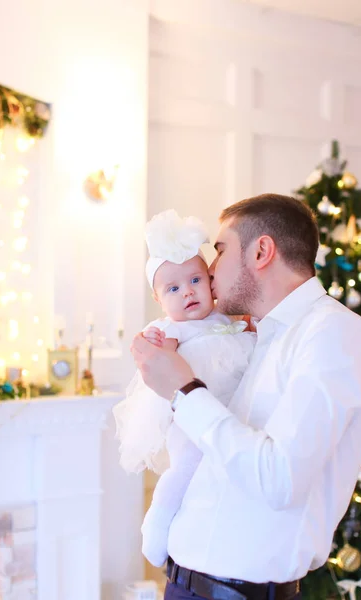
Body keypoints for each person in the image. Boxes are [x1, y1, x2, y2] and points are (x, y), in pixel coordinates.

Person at [131, 193, 361, 600]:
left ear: (262, 251)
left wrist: (184, 389)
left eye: (220, 251)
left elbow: (279, 480)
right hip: (187, 583)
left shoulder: (336, 335)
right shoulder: (259, 336)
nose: (210, 270)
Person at [113, 209, 256, 567]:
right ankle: (156, 527)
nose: (188, 293)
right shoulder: (169, 329)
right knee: (187, 465)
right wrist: (154, 343)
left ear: (210, 282)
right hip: (187, 417)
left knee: (218, 471)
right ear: (160, 301)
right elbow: (155, 360)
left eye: (195, 280)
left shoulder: (225, 319)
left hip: (224, 414)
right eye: (173, 289)